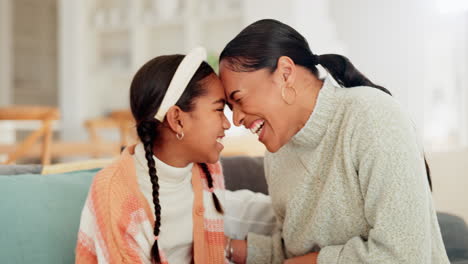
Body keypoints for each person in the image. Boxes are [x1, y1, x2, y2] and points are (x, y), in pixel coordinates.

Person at [219, 19, 450, 264]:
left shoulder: (372, 116)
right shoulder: (277, 154)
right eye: (230, 108)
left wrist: (315, 261)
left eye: (238, 98)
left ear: (285, 73)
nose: (236, 119)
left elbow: (405, 255)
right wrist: (225, 248)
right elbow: (292, 253)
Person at [75, 47, 231, 264]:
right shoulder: (114, 193)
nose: (227, 123)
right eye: (219, 109)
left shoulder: (208, 170)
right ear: (177, 119)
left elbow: (237, 208)